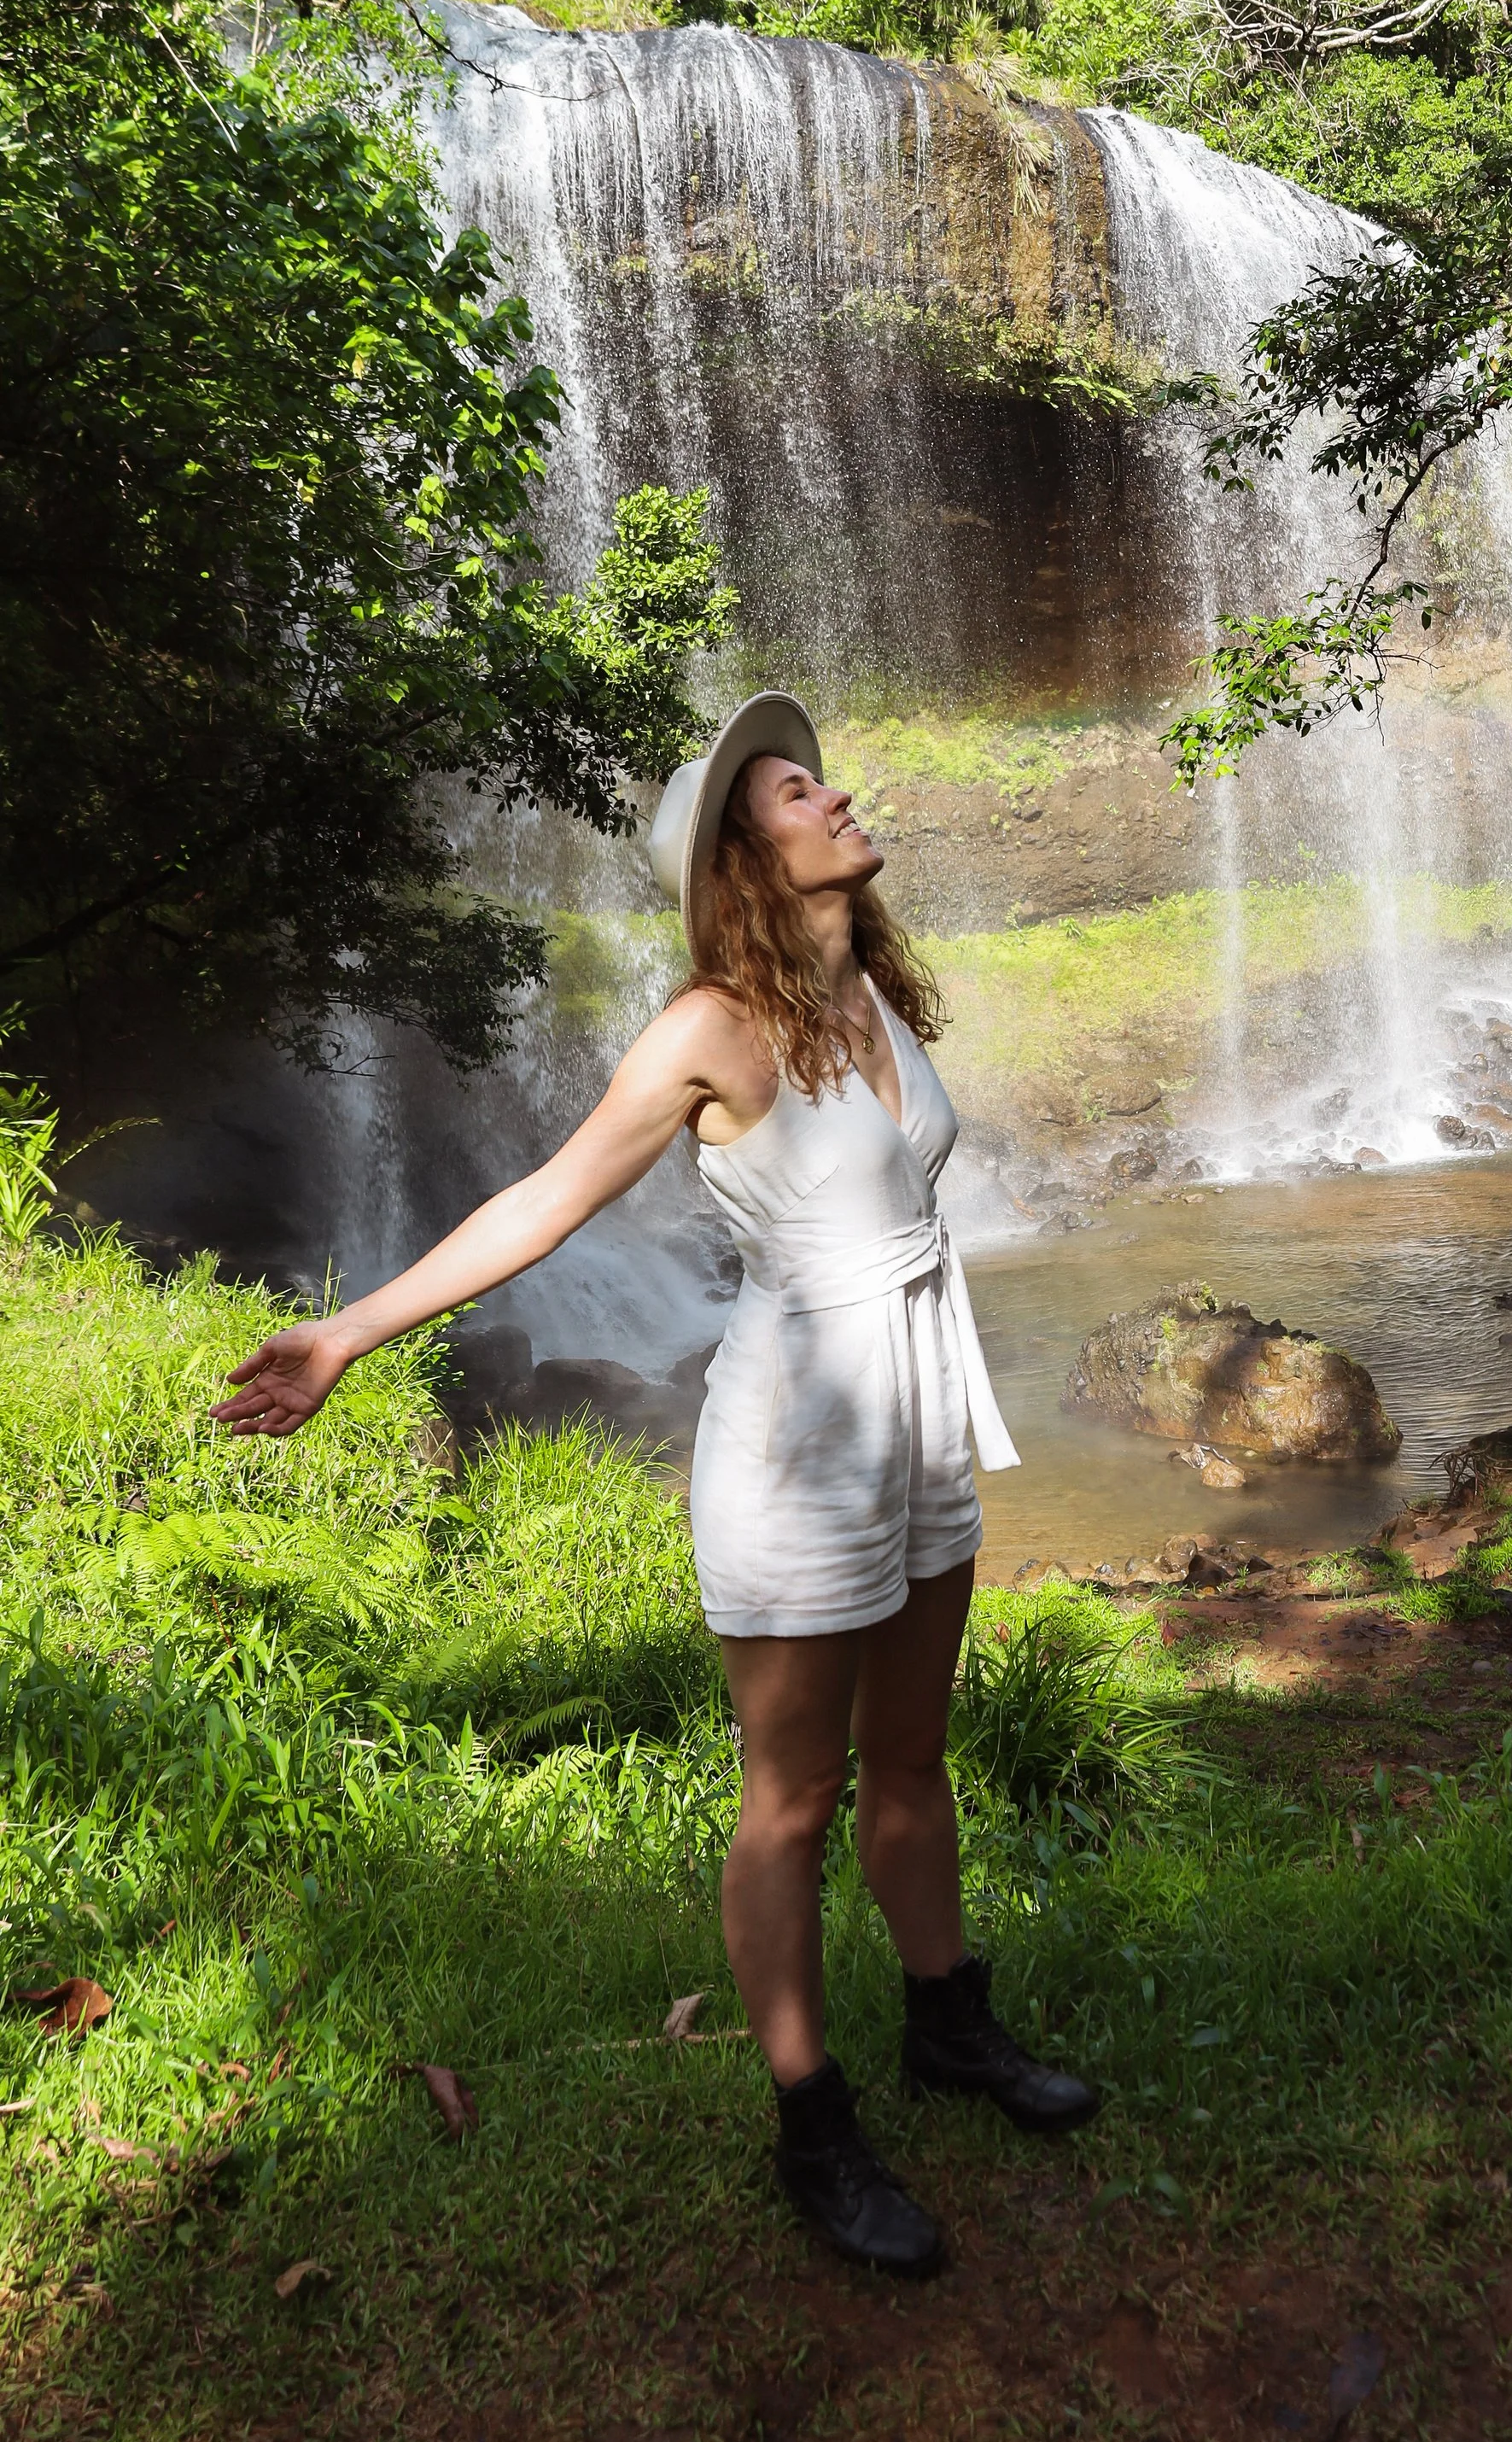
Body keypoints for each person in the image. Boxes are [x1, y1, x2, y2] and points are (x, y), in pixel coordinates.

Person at [213, 689, 1097, 2277]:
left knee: (914, 1757)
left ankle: (949, 2026)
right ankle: (810, 2123)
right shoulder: (709, 1028)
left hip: (917, 1413)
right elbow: (545, 1199)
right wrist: (348, 1330)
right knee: (797, 1794)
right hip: (791, 1443)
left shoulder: (877, 994)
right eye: (795, 792)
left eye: (822, 778)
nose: (834, 797)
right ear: (742, 859)